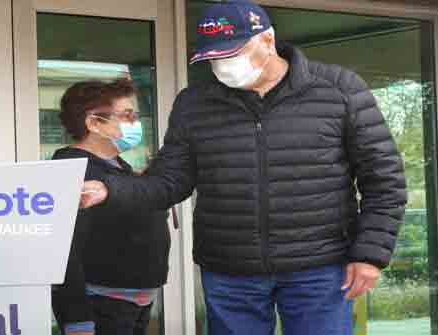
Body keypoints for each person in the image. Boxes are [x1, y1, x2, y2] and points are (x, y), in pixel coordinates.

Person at [79, 1, 407, 335]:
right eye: (214, 58)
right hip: (230, 271)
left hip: (319, 266)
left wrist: (370, 254)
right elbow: (170, 181)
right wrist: (110, 189)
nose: (223, 65)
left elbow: (383, 180)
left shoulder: (339, 89)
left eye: (232, 53)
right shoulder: (194, 103)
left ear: (267, 40)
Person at [51, 79, 170, 335]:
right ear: (93, 123)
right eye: (127, 116)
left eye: (135, 116)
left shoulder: (121, 168)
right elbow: (64, 255)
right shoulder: (73, 172)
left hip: (135, 302)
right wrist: (77, 319)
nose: (135, 123)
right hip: (101, 305)